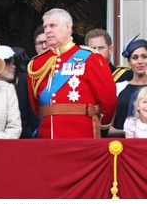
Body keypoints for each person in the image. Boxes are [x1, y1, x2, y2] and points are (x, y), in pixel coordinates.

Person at [27, 8, 117, 139]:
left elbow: (108, 100)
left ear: (68, 26)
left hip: (81, 136)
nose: (48, 30)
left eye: (53, 25)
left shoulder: (90, 58)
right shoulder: (36, 64)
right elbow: (36, 107)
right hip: (46, 137)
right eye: (45, 27)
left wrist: (102, 128)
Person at [109, 35, 147, 137]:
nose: (140, 62)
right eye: (135, 57)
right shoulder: (117, 88)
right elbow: (107, 128)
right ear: (129, 62)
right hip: (120, 146)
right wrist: (128, 132)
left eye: (144, 57)